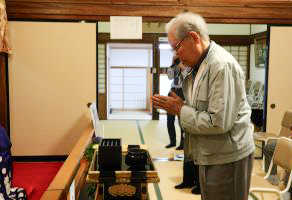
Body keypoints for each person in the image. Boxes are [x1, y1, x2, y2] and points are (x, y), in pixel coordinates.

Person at [151, 12, 255, 200]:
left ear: (194, 38)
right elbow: (198, 107)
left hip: (228, 156)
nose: (176, 54)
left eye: (176, 47)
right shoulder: (199, 64)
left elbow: (218, 122)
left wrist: (180, 109)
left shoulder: (221, 66)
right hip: (210, 152)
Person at [165, 56, 186, 150]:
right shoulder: (174, 66)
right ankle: (172, 142)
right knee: (169, 120)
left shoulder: (187, 66)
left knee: (182, 120)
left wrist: (181, 66)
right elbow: (170, 77)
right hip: (172, 91)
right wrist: (172, 64)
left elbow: (186, 77)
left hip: (183, 92)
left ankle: (183, 143)